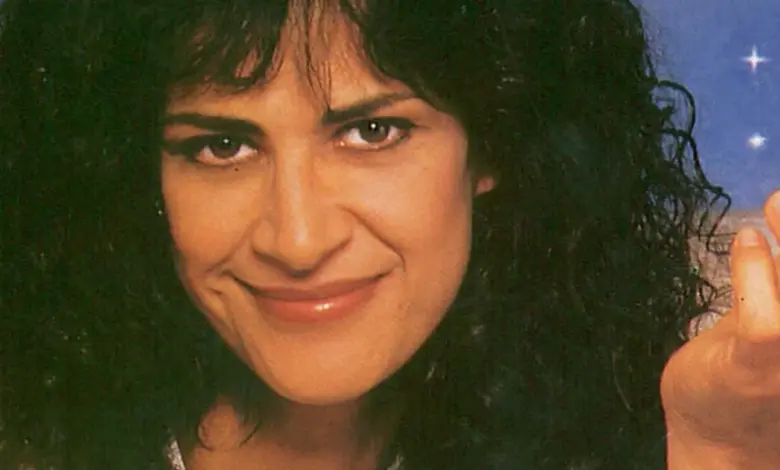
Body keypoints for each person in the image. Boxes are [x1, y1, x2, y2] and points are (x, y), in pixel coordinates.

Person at [0, 0, 771, 469]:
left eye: (372, 132)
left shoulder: (658, 431)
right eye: (222, 146)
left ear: (494, 146)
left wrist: (718, 460)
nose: (297, 240)